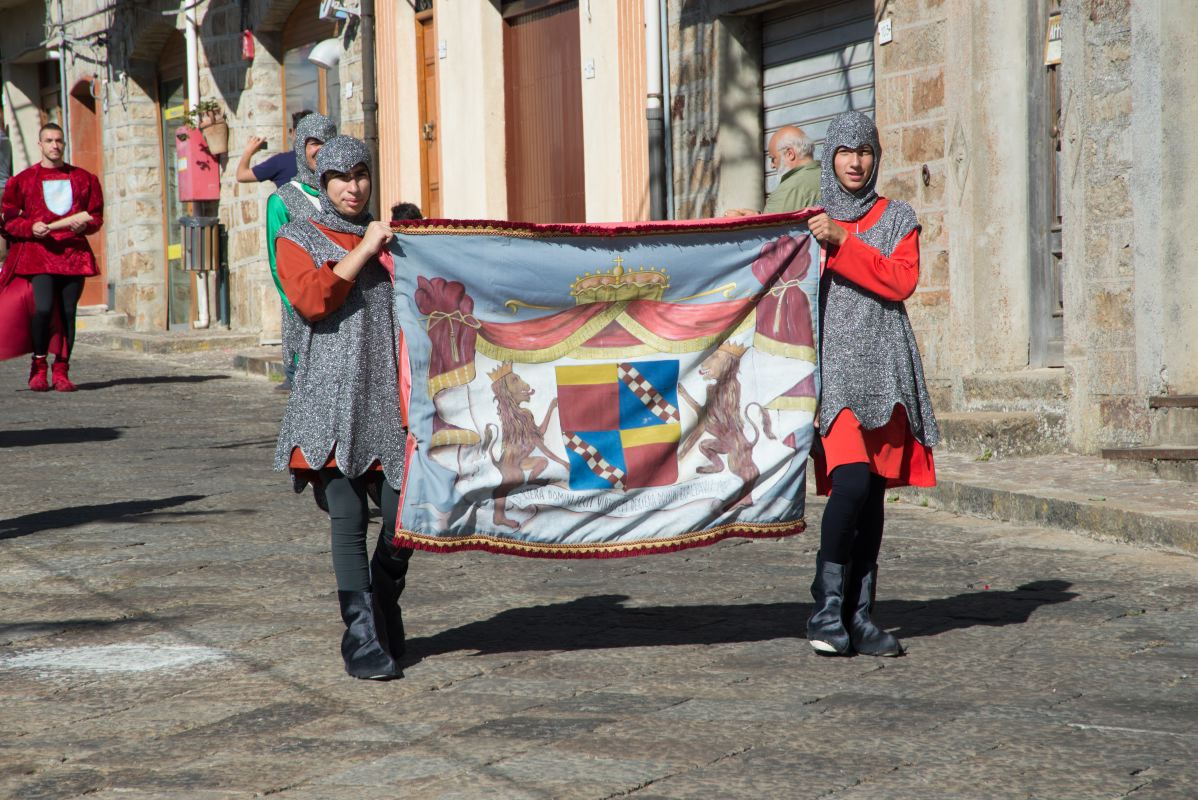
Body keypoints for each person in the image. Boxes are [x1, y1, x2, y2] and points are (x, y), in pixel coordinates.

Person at [273, 136, 412, 680]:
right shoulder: (297, 235)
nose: (353, 188)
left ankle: (383, 599)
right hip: (329, 398)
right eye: (340, 178)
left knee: (406, 516)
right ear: (323, 183)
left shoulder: (393, 237)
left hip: (390, 395)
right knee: (350, 516)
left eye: (361, 175)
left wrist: (409, 242)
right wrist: (365, 248)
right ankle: (359, 635)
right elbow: (312, 300)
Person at [804, 111, 939, 658]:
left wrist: (843, 241)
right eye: (845, 151)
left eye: (864, 152)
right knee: (852, 482)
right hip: (831, 371)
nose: (855, 162)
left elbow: (900, 279)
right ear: (829, 156)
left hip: (886, 370)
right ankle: (825, 609)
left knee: (875, 496)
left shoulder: (897, 216)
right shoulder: (807, 221)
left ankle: (860, 618)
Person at [1, 123, 103, 392]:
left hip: (73, 255)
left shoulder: (84, 178)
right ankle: (39, 365)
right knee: (43, 309)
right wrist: (29, 227)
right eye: (49, 140)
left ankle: (62, 369)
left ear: (64, 144)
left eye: (59, 140)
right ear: (40, 144)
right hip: (39, 256)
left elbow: (96, 216)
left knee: (68, 313)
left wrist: (86, 226)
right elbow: (9, 220)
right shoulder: (22, 180)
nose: (54, 145)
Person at [266, 112, 337, 392]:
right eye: (314, 142)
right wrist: (305, 307)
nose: (321, 149)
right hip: (304, 316)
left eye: (328, 142)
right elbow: (278, 267)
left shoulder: (344, 195)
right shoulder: (283, 200)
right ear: (302, 146)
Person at [726, 125, 821, 217]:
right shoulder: (829, 173)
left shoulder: (789, 189)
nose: (772, 165)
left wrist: (740, 222)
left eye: (773, 158)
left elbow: (770, 231)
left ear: (790, 154)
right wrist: (759, 216)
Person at [235, 110, 315, 188]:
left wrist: (248, 151)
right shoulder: (324, 159)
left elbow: (241, 175)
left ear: (292, 132)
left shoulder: (281, 162)